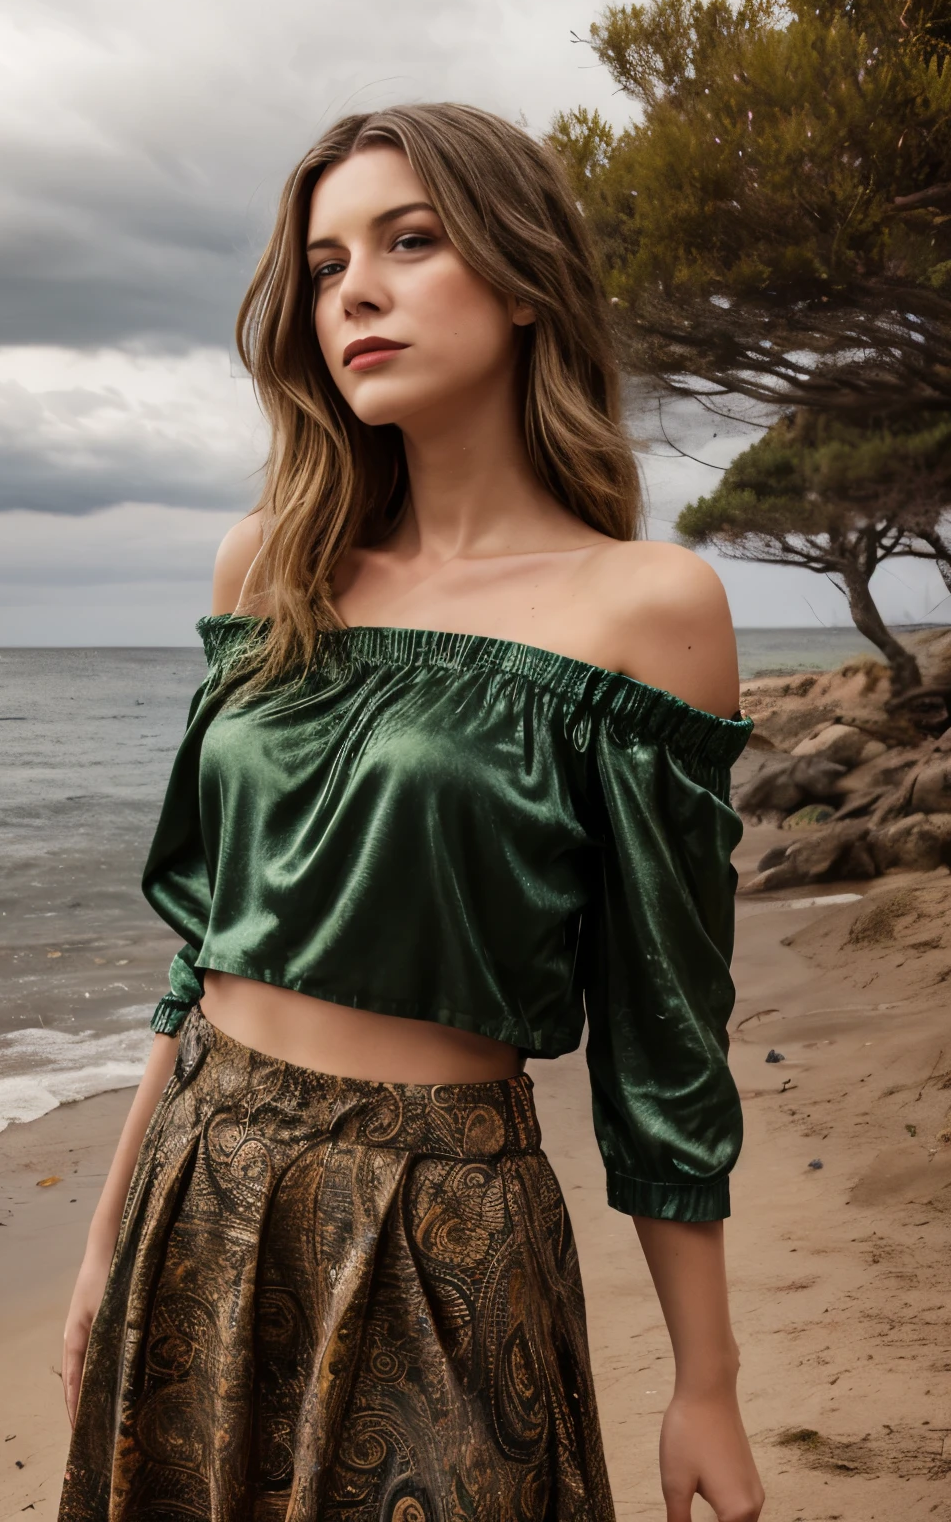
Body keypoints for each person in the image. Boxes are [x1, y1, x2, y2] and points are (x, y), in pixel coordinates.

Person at [57, 103, 765, 1522]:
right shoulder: (267, 565)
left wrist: (707, 1385)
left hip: (441, 1226)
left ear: (520, 277)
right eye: (324, 266)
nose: (355, 293)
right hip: (198, 1193)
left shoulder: (645, 607)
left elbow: (663, 1036)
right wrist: (103, 1234)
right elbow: (206, 946)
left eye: (410, 240)